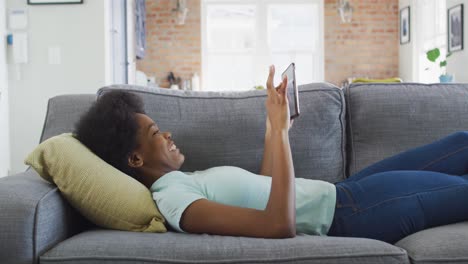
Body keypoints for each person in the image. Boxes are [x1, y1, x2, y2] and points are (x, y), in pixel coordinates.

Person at [75, 65, 468, 244]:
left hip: (347, 191)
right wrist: (280, 134)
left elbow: (265, 188)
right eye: (156, 134)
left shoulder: (184, 182)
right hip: (352, 214)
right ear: (135, 160)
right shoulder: (173, 200)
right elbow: (278, 225)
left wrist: (273, 127)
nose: (169, 135)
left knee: (461, 142)